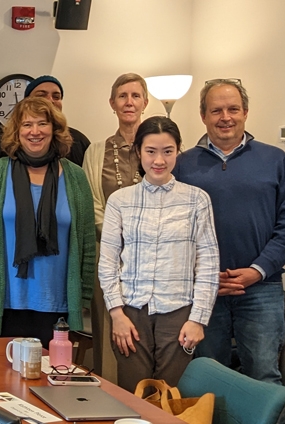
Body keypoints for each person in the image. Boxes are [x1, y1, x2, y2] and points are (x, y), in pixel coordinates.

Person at [172, 79, 285, 384]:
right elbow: (173, 230)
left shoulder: (275, 160)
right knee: (208, 377)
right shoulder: (183, 165)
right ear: (203, 116)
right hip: (205, 291)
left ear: (246, 112)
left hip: (261, 289)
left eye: (233, 109)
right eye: (216, 110)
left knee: (263, 377)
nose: (225, 117)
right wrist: (200, 276)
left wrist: (257, 271)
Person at [99, 116, 219, 392]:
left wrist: (198, 319)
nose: (159, 160)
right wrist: (116, 313)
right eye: (151, 151)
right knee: (133, 396)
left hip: (178, 314)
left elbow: (208, 264)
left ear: (178, 151)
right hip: (130, 314)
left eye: (168, 151)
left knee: (171, 399)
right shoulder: (120, 201)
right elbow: (107, 262)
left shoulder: (197, 199)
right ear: (138, 151)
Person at [0, 96, 96, 348]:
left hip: (58, 302)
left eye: (42, 124)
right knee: (4, 381)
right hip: (7, 302)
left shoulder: (75, 177)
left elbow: (88, 246)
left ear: (54, 129)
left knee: (52, 382)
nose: (34, 131)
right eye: (27, 125)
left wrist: (83, 296)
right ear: (16, 131)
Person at [83, 73, 149, 381]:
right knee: (109, 331)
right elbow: (92, 204)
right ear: (112, 103)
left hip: (151, 258)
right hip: (107, 254)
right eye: (122, 96)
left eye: (136, 95)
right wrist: (118, 235)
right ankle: (108, 397)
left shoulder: (158, 147)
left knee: (146, 332)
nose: (129, 102)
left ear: (145, 102)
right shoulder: (96, 152)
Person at [0, 75, 92, 171]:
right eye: (41, 95)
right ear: (27, 101)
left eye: (56, 96)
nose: (50, 100)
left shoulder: (79, 141)